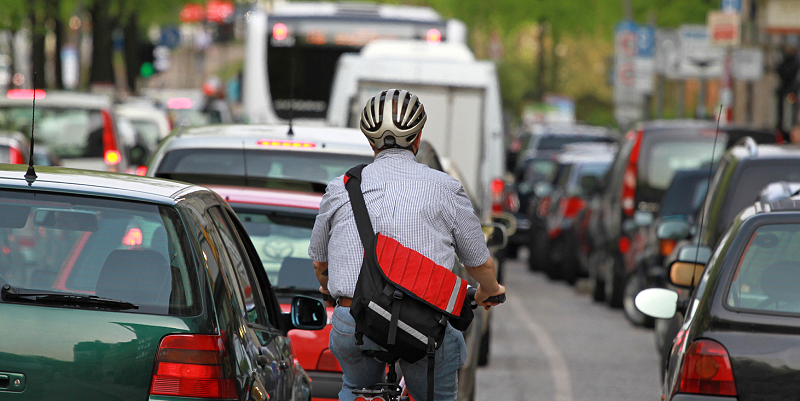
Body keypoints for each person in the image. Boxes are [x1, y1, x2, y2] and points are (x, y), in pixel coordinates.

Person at [308, 89, 506, 401]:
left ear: (370, 142)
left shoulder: (340, 189)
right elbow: (480, 264)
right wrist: (488, 291)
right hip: (423, 330)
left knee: (355, 387)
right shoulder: (445, 188)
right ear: (418, 138)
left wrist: (327, 286)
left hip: (354, 320)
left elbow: (320, 263)